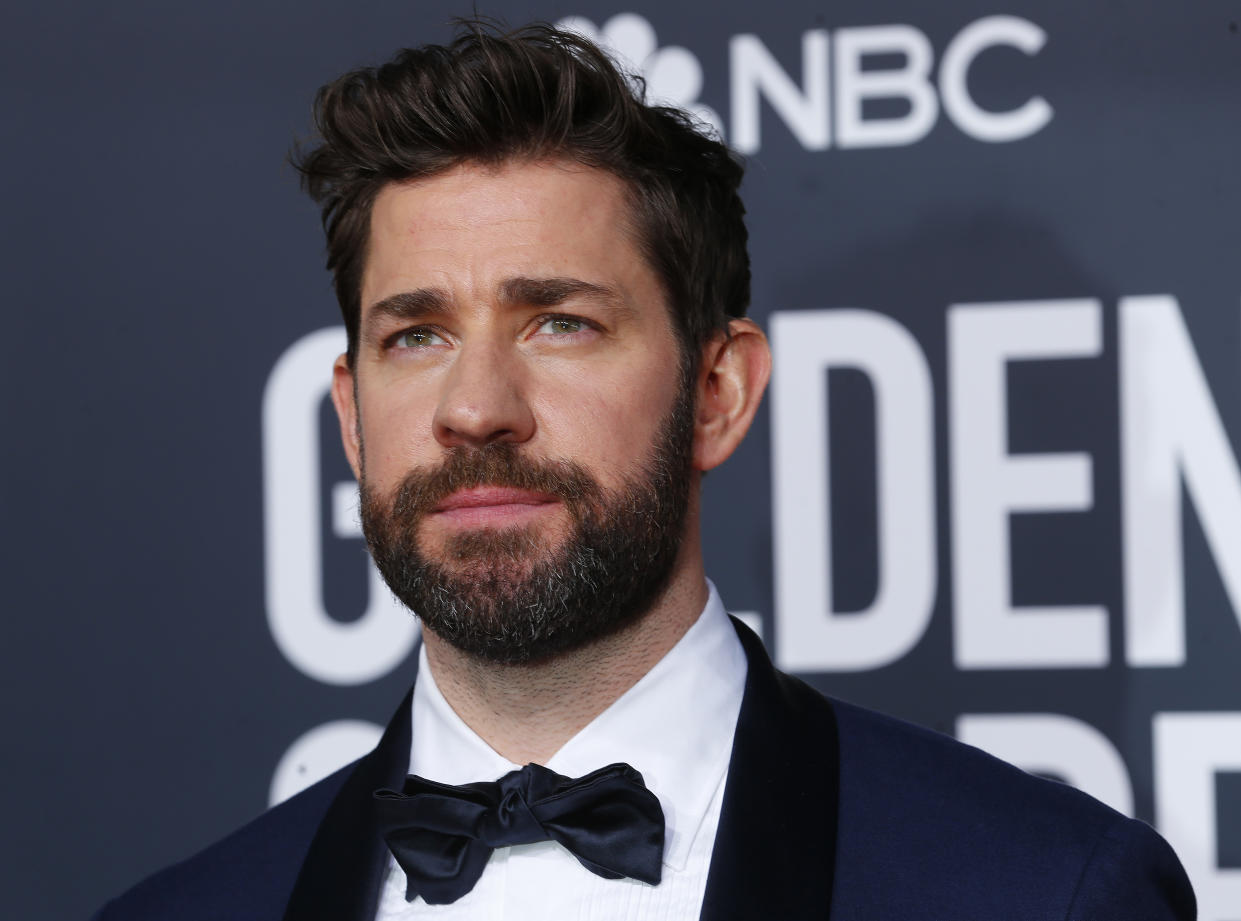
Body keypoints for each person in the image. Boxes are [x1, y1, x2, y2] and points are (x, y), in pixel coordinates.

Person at [94, 21, 1196, 921]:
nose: (474, 409)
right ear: (349, 417)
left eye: (559, 324)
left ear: (717, 390)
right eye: (415, 336)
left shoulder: (1040, 892)